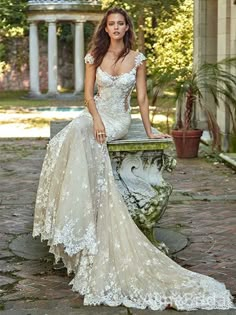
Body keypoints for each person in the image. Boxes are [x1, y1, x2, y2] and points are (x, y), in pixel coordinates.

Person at [33, 7, 235, 311]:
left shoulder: (137, 58)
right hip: (96, 115)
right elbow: (88, 96)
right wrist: (96, 119)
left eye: (120, 23)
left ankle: (85, 221)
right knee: (69, 137)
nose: (116, 27)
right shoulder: (95, 55)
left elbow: (140, 97)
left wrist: (150, 129)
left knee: (81, 137)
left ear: (127, 28)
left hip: (118, 120)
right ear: (106, 27)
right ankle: (77, 218)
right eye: (111, 23)